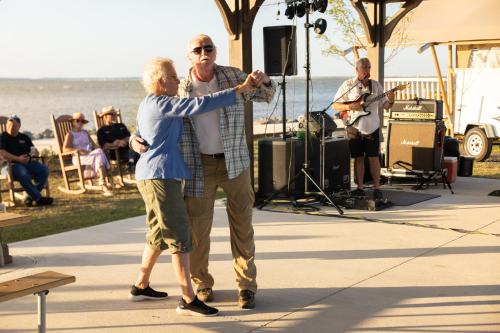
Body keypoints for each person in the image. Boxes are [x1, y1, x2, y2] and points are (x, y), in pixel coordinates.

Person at [131, 34, 276, 309]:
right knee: (196, 231)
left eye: (208, 47)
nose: (203, 52)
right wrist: (131, 140)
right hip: (199, 166)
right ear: (190, 56)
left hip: (236, 162)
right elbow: (147, 124)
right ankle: (201, 285)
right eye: (197, 49)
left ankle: (246, 287)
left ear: (216, 51)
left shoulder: (234, 75)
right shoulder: (179, 87)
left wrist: (265, 81)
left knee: (243, 226)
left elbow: (267, 96)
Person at [333, 57, 394, 200]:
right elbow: (335, 105)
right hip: (354, 127)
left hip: (372, 127)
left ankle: (377, 188)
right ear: (357, 69)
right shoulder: (348, 85)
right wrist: (349, 107)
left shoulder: (376, 86)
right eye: (364, 67)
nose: (367, 70)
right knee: (358, 158)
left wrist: (391, 99)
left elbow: (386, 106)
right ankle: (359, 188)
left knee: (374, 158)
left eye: (368, 67)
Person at [0, 115, 53, 206]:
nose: (10, 127)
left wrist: (35, 153)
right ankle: (38, 198)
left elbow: (34, 150)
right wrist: (18, 159)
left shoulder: (24, 137)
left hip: (27, 163)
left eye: (13, 126)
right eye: (8, 125)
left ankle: (29, 197)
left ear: (19, 126)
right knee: (22, 171)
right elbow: (2, 153)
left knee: (44, 169)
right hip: (9, 166)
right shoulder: (3, 137)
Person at [62, 112, 114, 196]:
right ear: (72, 122)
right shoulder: (70, 134)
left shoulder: (85, 133)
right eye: (78, 120)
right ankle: (107, 179)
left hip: (91, 156)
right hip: (79, 157)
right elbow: (65, 149)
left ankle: (103, 183)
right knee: (99, 154)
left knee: (99, 152)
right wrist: (79, 150)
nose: (80, 123)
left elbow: (93, 145)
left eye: (82, 121)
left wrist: (100, 149)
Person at [96, 106, 139, 172]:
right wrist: (115, 143)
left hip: (128, 149)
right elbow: (104, 145)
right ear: (104, 116)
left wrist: (122, 141)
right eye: (111, 114)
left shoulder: (121, 126)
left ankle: (131, 163)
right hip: (115, 152)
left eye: (114, 114)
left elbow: (129, 137)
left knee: (139, 149)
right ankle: (131, 164)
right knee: (137, 154)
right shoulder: (101, 130)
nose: (114, 115)